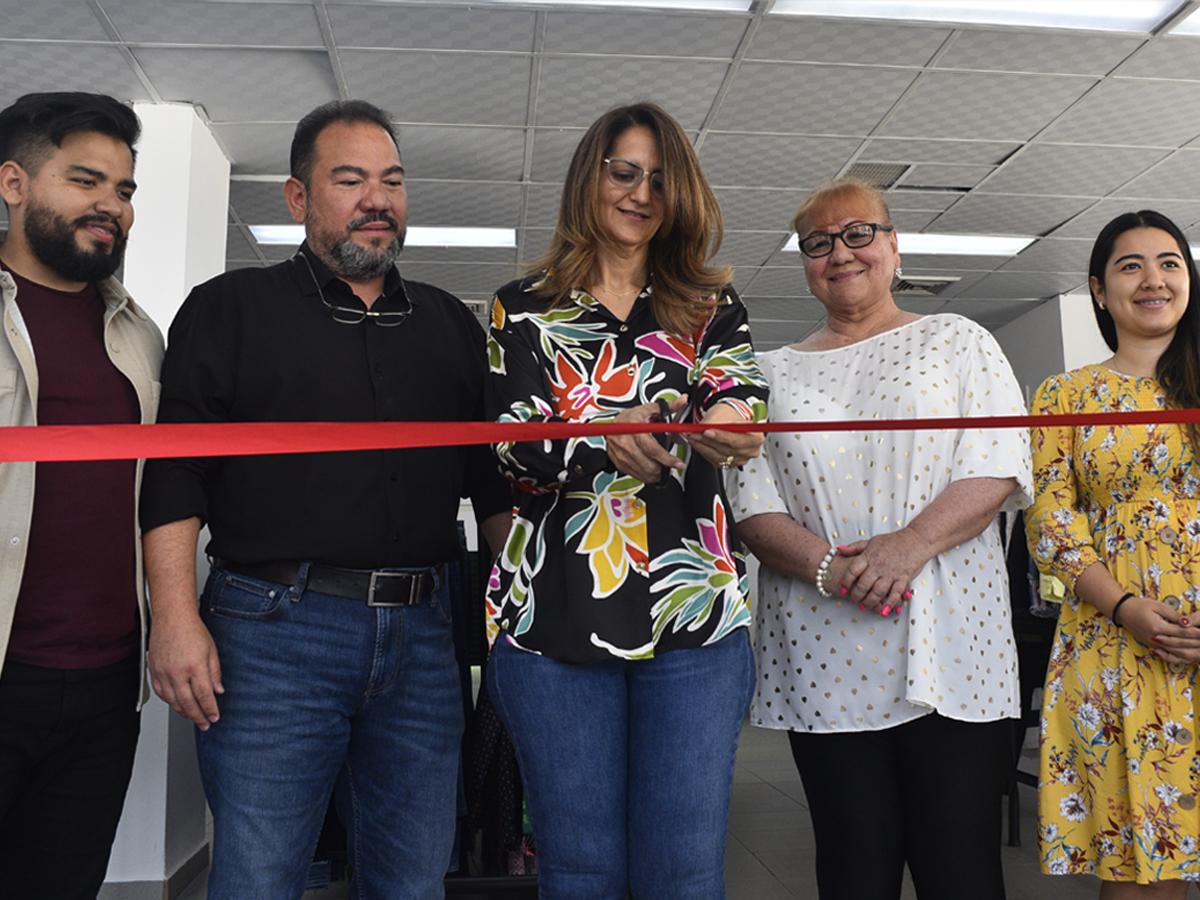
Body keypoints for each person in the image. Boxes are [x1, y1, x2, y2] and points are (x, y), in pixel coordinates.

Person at [139, 99, 512, 900]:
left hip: (423, 639)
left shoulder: (450, 325)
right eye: (350, 180)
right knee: (260, 878)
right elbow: (175, 472)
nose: (378, 199)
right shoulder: (229, 309)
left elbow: (490, 484)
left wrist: (526, 613)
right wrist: (171, 617)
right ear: (298, 198)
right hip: (271, 634)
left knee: (413, 881)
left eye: (392, 181)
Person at [484, 101, 768, 899]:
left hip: (694, 619)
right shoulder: (523, 307)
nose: (641, 193)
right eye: (624, 172)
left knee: (684, 869)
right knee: (580, 868)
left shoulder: (710, 305)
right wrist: (602, 441)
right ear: (591, 178)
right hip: (553, 619)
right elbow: (511, 443)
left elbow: (741, 396)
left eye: (660, 180)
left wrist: (730, 420)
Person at [725, 177, 1031, 900]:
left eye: (859, 233)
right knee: (852, 868)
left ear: (894, 247)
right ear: (805, 264)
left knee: (960, 869)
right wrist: (830, 568)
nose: (841, 253)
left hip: (954, 651)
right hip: (823, 654)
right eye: (819, 243)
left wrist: (911, 544)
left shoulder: (959, 340)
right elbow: (752, 504)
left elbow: (996, 465)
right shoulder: (768, 374)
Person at [0, 92, 163, 900]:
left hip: (105, 684)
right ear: (14, 184)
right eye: (85, 181)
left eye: (124, 190)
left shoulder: (140, 335)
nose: (112, 206)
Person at [1027, 210, 1200, 896]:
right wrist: (1126, 607)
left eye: (1169, 263)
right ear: (1099, 290)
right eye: (1131, 266)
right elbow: (1052, 524)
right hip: (1112, 644)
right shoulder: (1064, 396)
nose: (1153, 279)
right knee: (1138, 863)